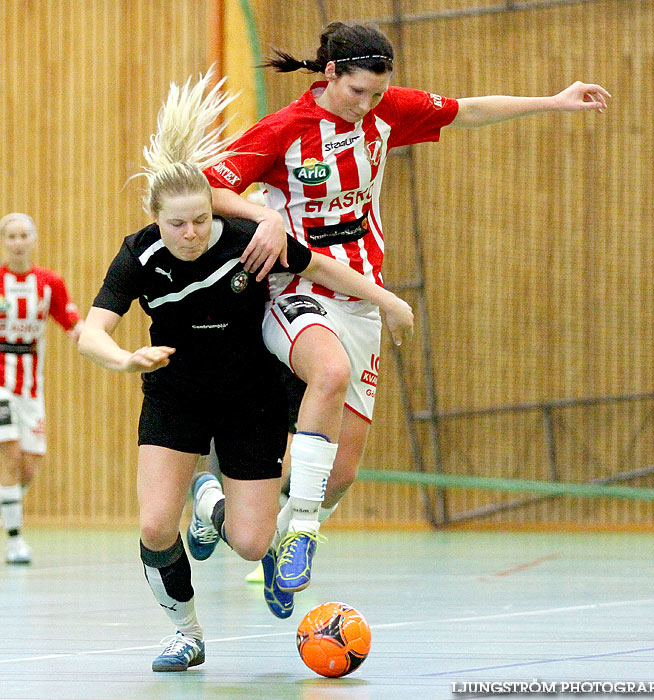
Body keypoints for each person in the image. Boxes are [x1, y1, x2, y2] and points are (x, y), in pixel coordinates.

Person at [203, 21, 611, 611]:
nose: (366, 106)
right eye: (356, 93)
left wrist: (554, 100)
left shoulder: (385, 114)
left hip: (363, 298)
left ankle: (237, 517)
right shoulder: (285, 129)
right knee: (330, 372)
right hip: (297, 289)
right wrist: (262, 216)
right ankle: (301, 537)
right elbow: (212, 187)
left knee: (341, 472)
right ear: (328, 75)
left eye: (376, 94)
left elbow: (467, 110)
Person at [77, 70, 412, 672]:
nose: (191, 233)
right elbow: (90, 332)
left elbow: (325, 271)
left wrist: (386, 301)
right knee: (155, 525)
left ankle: (211, 504)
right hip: (176, 396)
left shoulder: (244, 238)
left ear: (213, 210)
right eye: (177, 223)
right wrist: (125, 358)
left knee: (254, 543)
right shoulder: (140, 255)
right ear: (155, 217)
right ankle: (186, 632)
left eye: (201, 219)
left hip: (250, 402)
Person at [0, 213, 82, 565]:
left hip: (32, 386)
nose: (18, 242)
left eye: (23, 235)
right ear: (4, 241)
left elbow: (72, 325)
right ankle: (16, 540)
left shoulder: (50, 282)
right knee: (10, 454)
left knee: (30, 465)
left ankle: (9, 506)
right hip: (1, 382)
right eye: (11, 236)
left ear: (33, 239)